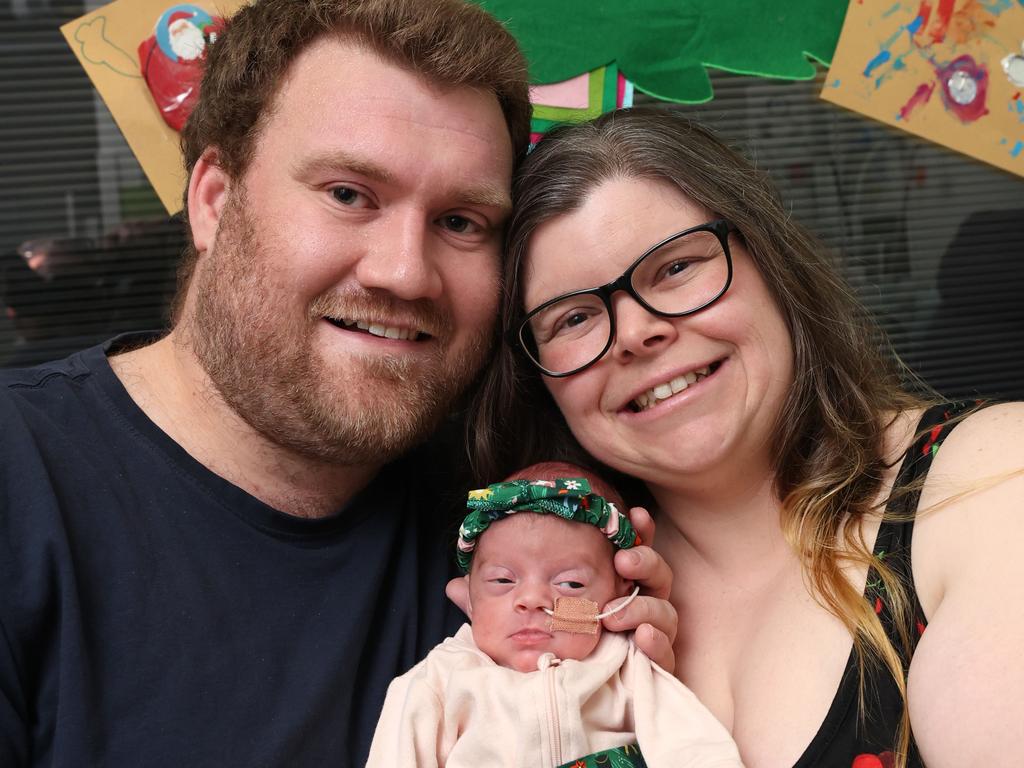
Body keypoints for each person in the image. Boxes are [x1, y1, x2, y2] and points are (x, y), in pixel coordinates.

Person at [0, 3, 681, 766]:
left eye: (461, 222)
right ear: (215, 203)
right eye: (348, 194)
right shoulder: (21, 488)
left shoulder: (509, 510)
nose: (405, 272)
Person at [472, 107, 1024, 768]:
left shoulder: (989, 480)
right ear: (540, 381)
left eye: (675, 268)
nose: (634, 333)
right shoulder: (545, 611)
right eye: (575, 318)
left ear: (772, 264)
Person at [367, 463, 743, 768]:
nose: (531, 600)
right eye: (501, 580)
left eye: (570, 584)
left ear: (619, 596)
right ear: (470, 596)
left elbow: (689, 742)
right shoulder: (441, 679)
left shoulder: (621, 664)